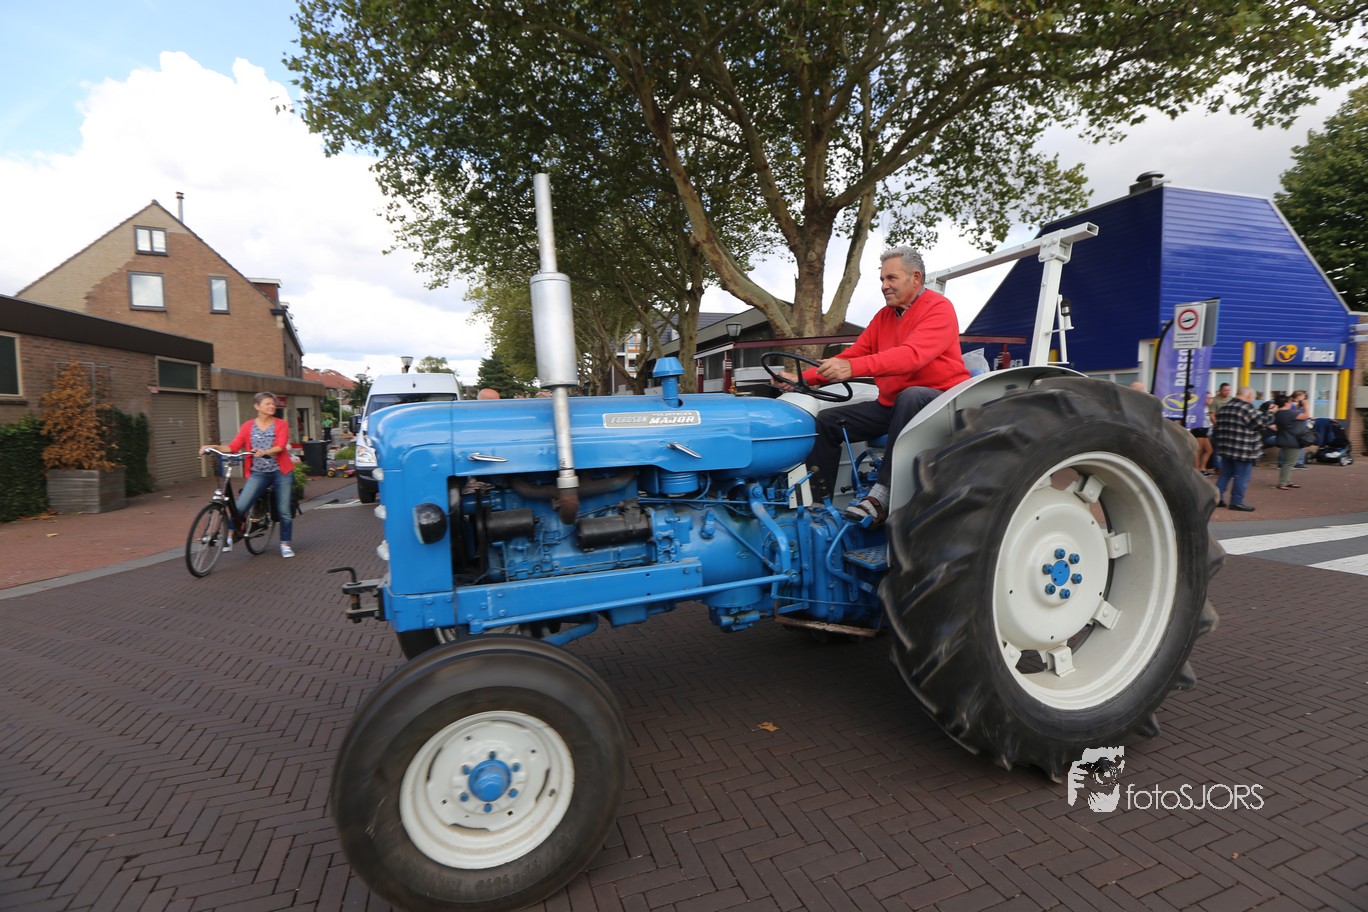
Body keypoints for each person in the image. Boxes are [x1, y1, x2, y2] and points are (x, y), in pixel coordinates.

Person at [776, 246, 970, 527]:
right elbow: (853, 354)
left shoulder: (939, 308)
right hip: (894, 406)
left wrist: (852, 368)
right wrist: (800, 379)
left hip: (939, 403)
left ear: (915, 278)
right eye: (882, 279)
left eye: (891, 278)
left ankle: (882, 495)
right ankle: (817, 507)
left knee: (911, 395)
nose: (884, 286)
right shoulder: (884, 317)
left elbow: (912, 356)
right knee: (826, 421)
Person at [202, 391, 297, 558]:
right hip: (259, 473)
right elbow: (233, 446)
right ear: (257, 406)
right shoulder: (248, 426)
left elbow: (281, 445)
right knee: (240, 506)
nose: (272, 406)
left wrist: (266, 451)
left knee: (283, 510)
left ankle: (285, 544)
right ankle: (230, 535)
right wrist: (213, 447)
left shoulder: (281, 424)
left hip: (280, 472)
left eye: (273, 403)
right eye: (268, 403)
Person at [1212, 385, 1272, 512]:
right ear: (1249, 396)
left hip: (1225, 447)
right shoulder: (1247, 408)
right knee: (1242, 476)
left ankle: (1216, 498)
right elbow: (1260, 424)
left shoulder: (1224, 407)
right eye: (1252, 397)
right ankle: (1236, 501)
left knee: (1225, 474)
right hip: (1243, 449)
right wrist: (1270, 414)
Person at [1271, 393, 1308, 490]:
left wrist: (1297, 407)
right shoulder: (1288, 413)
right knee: (1289, 462)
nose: (1291, 403)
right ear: (1286, 403)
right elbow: (1305, 416)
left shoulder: (1278, 413)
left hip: (1283, 438)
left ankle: (1287, 481)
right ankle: (1282, 482)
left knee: (1288, 461)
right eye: (1289, 401)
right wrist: (1306, 406)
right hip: (1292, 440)